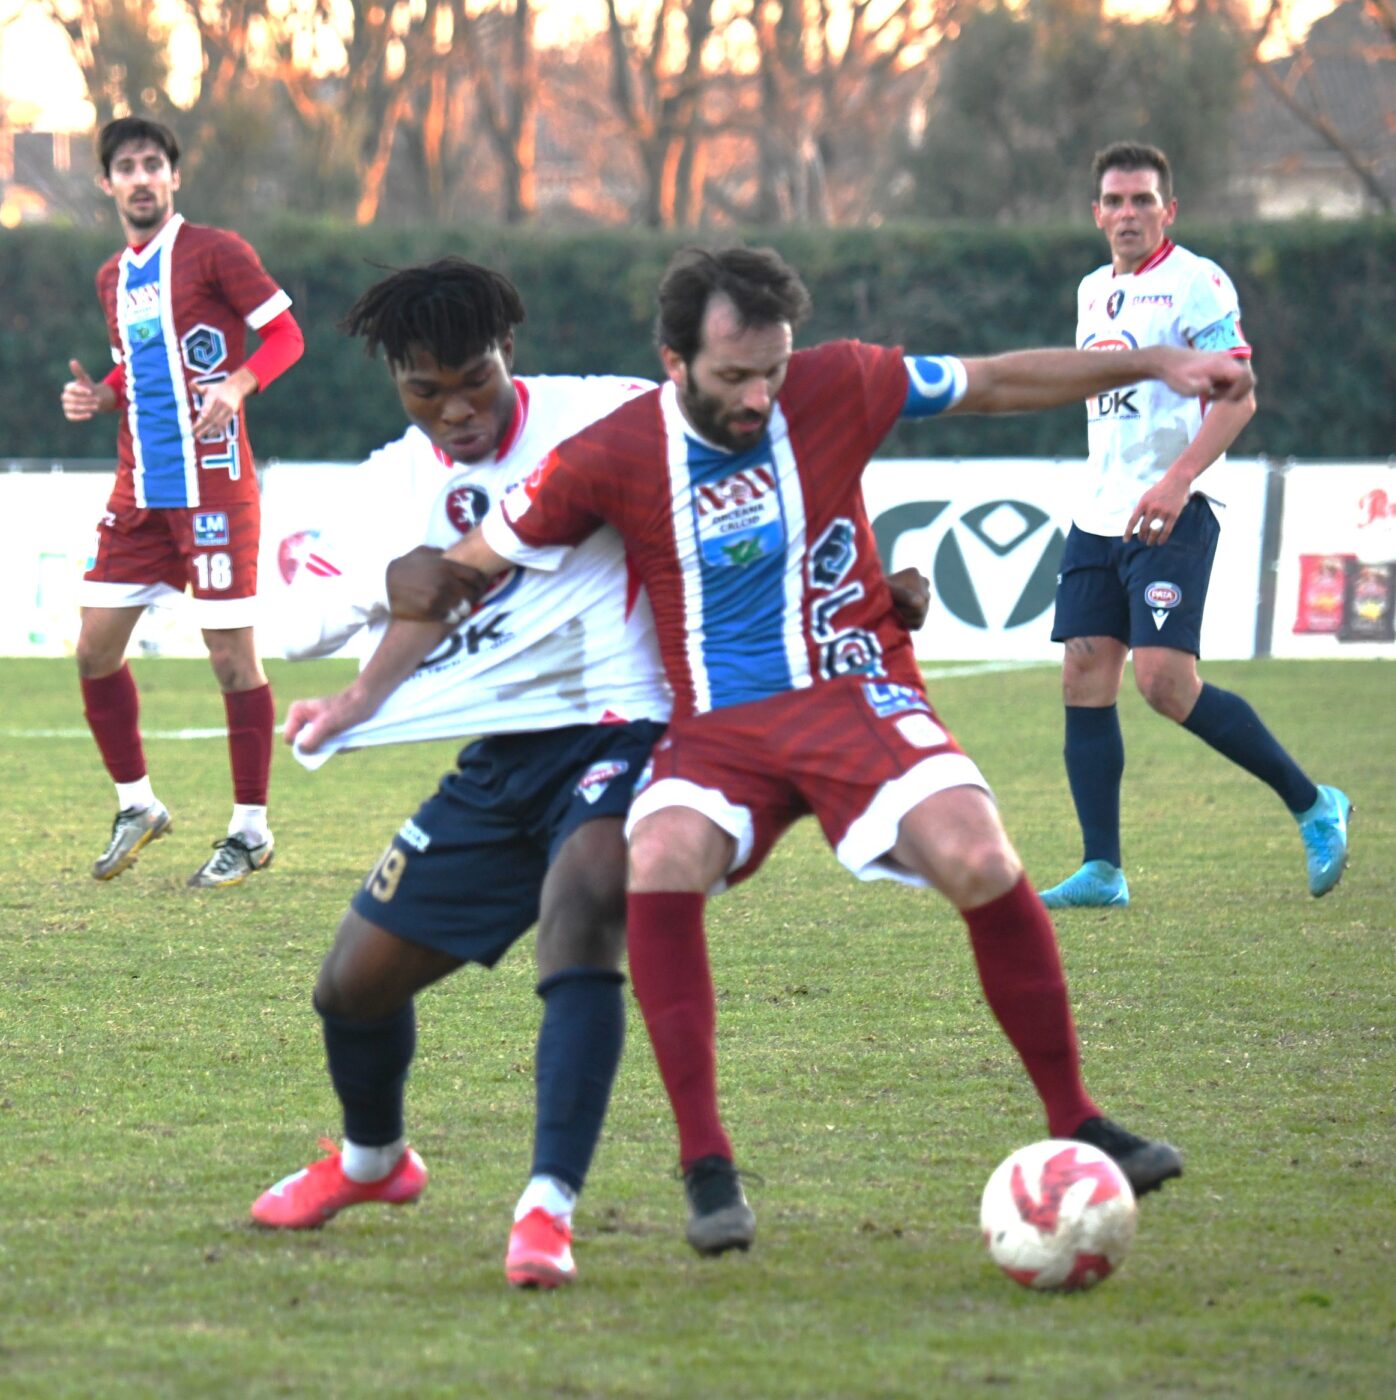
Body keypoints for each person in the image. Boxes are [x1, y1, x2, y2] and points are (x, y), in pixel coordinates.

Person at [386, 245, 1256, 1257]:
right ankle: (706, 1164)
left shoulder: (839, 379)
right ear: (673, 361)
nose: (758, 395)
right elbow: (477, 556)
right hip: (716, 724)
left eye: (771, 369)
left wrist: (1154, 363)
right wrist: (401, 601)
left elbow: (997, 378)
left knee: (978, 853)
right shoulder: (614, 451)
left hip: (853, 691)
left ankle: (1076, 1113)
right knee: (657, 853)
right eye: (731, 378)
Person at [246, 256, 933, 1288]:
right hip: (501, 761)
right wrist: (380, 596)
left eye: (472, 377)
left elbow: (778, 467)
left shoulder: (609, 416)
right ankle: (373, 1163)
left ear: (507, 352)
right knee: (350, 986)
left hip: (638, 733)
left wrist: (872, 585)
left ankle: (546, 1205)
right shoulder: (393, 480)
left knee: (582, 911)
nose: (455, 408)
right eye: (424, 388)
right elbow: (299, 621)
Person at [1037, 142, 1351, 911]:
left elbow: (1237, 395)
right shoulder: (1090, 291)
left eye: (1143, 200)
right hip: (1097, 516)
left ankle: (1315, 804)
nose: (1127, 214)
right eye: (1114, 201)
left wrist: (1177, 483)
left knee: (1164, 684)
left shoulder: (1197, 284)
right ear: (1096, 213)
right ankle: (1103, 871)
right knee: (1083, 676)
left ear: (1168, 210)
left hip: (1168, 514)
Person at [60, 116, 305, 887]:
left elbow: (287, 337)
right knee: (95, 649)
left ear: (173, 177)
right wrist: (99, 397)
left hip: (215, 491)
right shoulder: (112, 278)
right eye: (125, 167)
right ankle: (138, 805)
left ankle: (251, 830)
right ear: (107, 184)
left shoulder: (217, 252)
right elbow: (141, 369)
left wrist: (238, 384)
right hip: (139, 495)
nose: (140, 177)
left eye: (153, 164)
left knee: (232, 658)